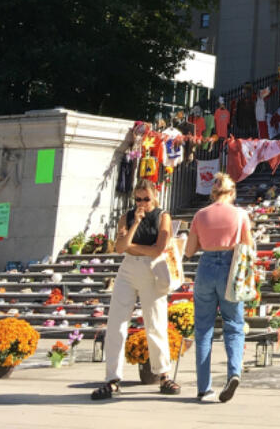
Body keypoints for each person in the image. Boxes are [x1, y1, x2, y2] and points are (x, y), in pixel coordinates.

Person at [92, 183, 180, 399]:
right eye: (138, 199)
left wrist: (132, 246)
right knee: (116, 323)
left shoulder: (162, 216)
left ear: (155, 198)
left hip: (153, 270)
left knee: (156, 323)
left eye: (146, 199)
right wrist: (135, 225)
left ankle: (164, 375)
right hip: (128, 268)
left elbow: (158, 249)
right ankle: (112, 379)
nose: (142, 204)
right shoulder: (127, 216)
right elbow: (120, 248)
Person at [182, 172, 254, 404]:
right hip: (229, 268)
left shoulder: (200, 215)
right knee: (233, 324)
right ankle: (234, 371)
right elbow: (248, 245)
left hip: (206, 266)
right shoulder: (240, 214)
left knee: (203, 329)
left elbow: (190, 250)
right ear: (232, 192)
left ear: (213, 193)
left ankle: (204, 388)